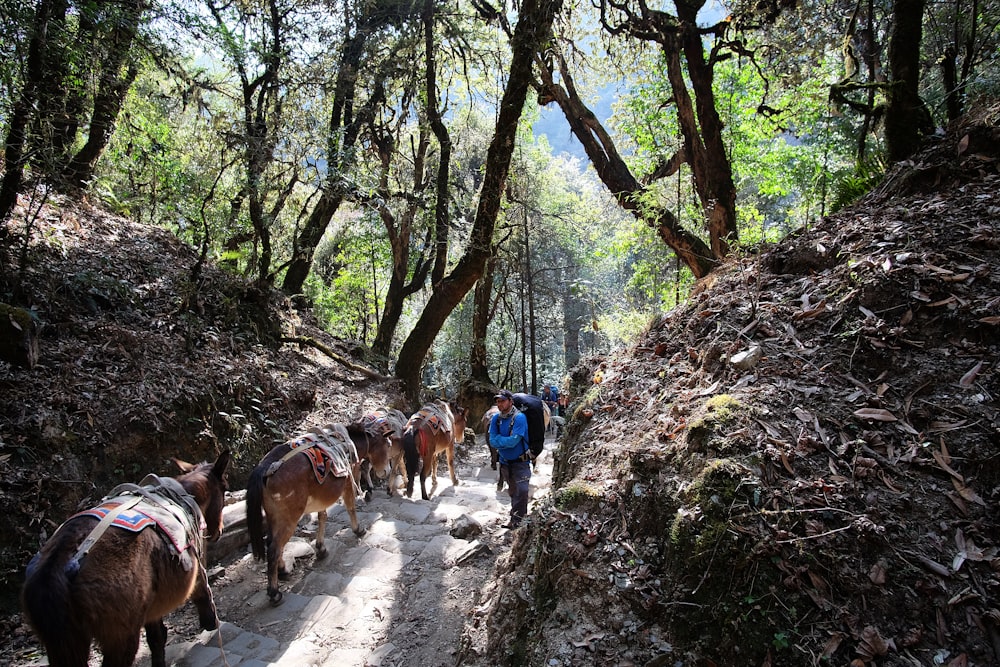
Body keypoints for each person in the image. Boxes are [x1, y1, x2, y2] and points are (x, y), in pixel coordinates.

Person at [489, 389, 531, 528]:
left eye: (502, 401)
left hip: (521, 462)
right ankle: (515, 520)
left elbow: (514, 441)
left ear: (510, 401)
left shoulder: (519, 418)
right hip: (505, 463)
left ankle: (520, 523)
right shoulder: (496, 419)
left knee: (523, 491)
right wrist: (504, 440)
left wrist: (500, 440)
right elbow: (492, 441)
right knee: (513, 491)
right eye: (498, 401)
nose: (499, 404)